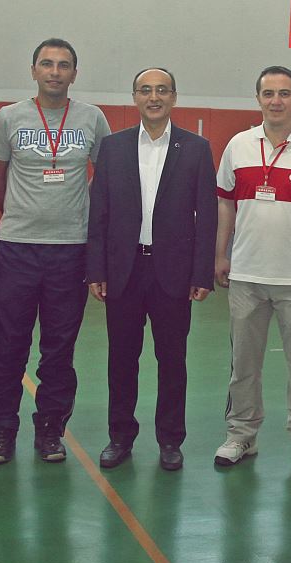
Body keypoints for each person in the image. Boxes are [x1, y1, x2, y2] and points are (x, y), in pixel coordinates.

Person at [0, 38, 111, 464]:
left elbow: (106, 176)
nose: (55, 72)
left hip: (70, 251)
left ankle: (51, 429)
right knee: (9, 346)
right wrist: (22, 215)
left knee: (58, 350)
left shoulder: (92, 118)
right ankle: (2, 430)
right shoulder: (8, 117)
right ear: (33, 70)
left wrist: (77, 213)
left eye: (63, 65)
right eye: (47, 64)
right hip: (17, 249)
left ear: (74, 73)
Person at [86, 67, 216, 471]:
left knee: (172, 361)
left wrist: (201, 273)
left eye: (162, 90)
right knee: (122, 359)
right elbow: (99, 212)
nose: (154, 97)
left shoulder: (195, 148)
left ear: (174, 97)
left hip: (172, 274)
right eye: (145, 90)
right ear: (135, 97)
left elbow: (207, 216)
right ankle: (120, 436)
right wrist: (96, 269)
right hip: (123, 271)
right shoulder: (113, 147)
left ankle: (170, 439)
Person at [212, 66, 291, 475]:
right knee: (243, 364)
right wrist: (220, 254)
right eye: (268, 93)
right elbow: (225, 203)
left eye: (284, 93)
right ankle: (241, 434)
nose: (276, 101)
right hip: (246, 277)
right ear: (258, 99)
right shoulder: (238, 145)